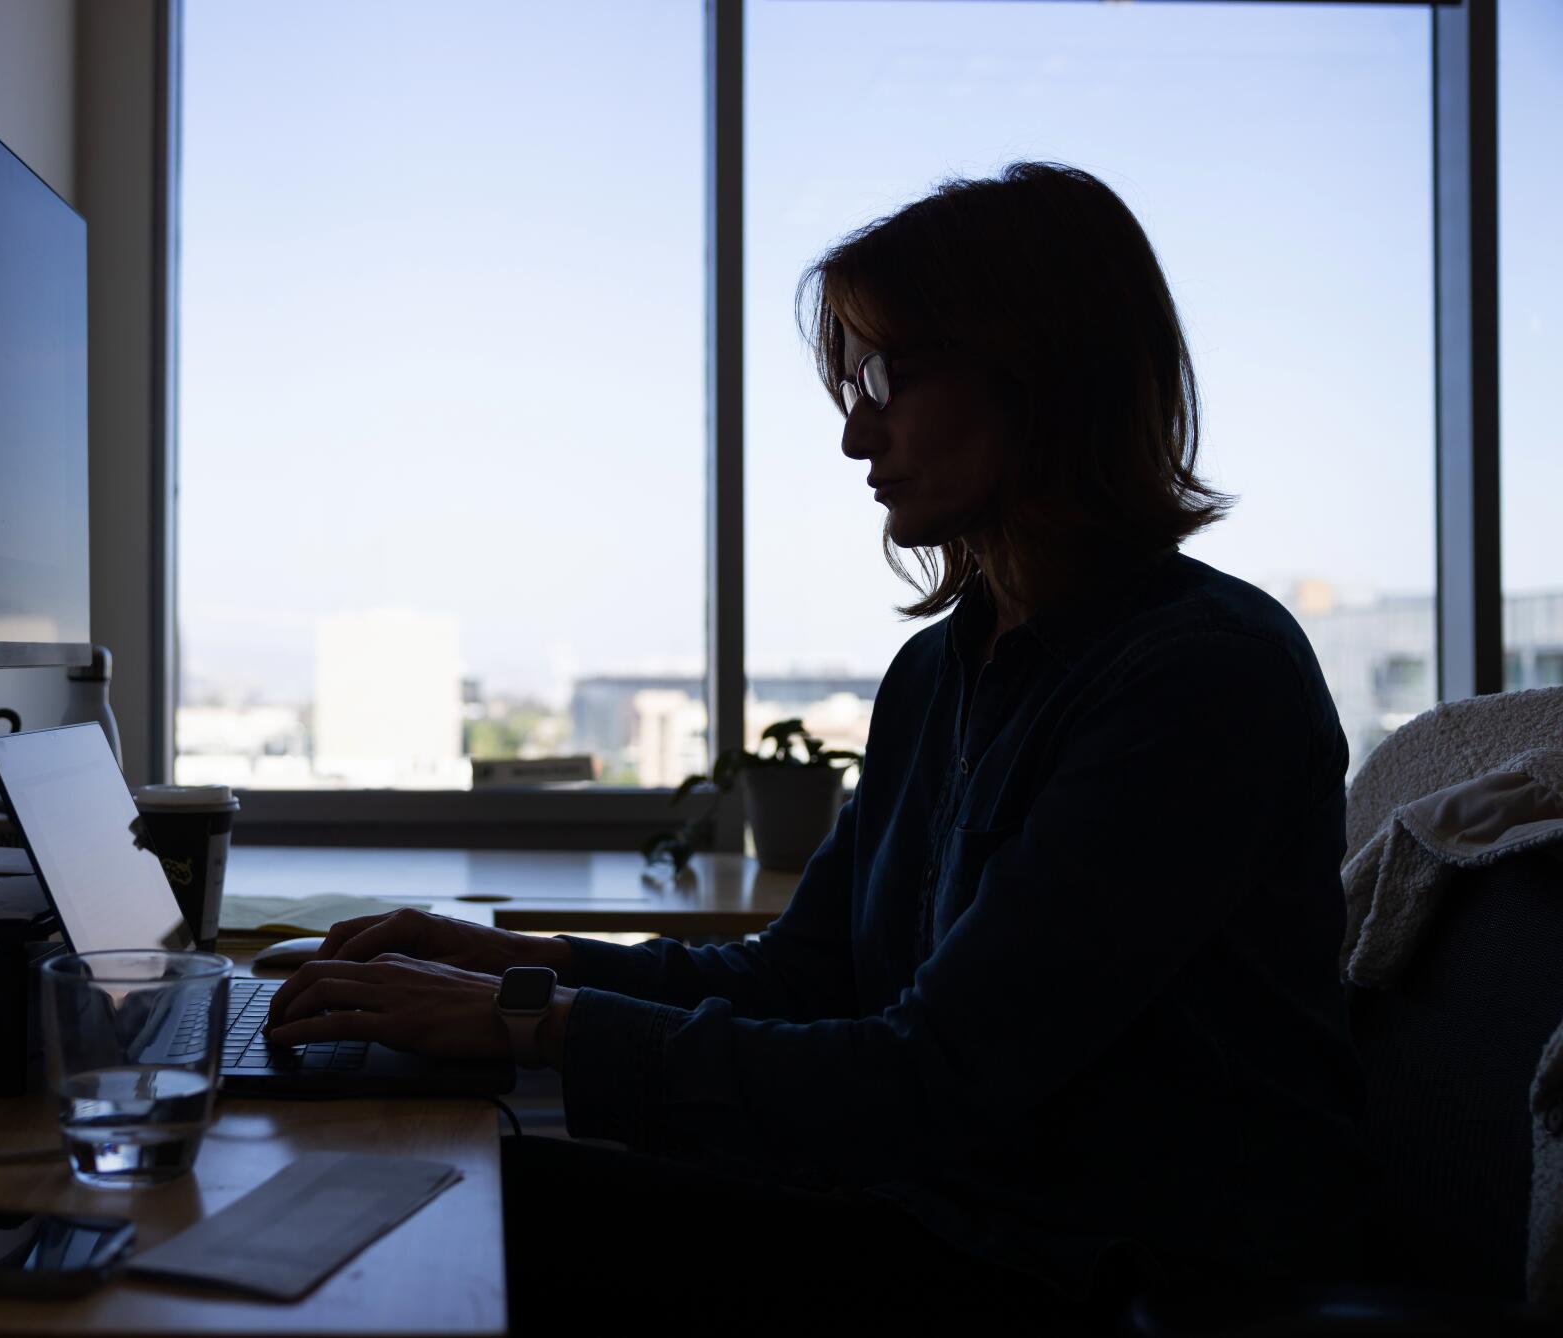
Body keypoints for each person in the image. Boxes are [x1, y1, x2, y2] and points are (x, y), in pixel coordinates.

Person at [264, 162, 1368, 1332]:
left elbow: (926, 1081)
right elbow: (802, 979)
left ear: (1036, 373)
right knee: (422, 1196)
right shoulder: (941, 670)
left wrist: (528, 1023)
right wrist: (504, 960)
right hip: (937, 1210)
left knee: (444, 1223)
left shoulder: (1198, 678)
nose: (853, 436)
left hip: (1109, 1273)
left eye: (883, 378)